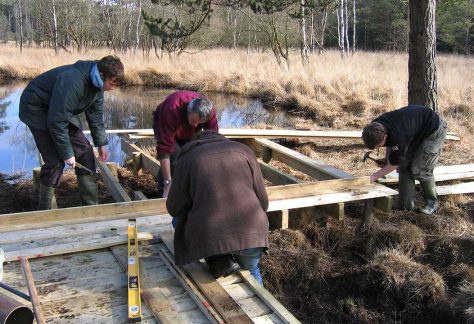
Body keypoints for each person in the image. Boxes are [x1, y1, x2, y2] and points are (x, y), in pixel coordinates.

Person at [19, 55, 124, 210]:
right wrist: (67, 153)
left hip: (58, 109)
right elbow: (57, 121)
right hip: (36, 107)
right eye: (111, 83)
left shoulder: (97, 86)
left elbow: (95, 116)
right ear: (102, 74)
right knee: (55, 162)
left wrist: (101, 143)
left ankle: (90, 207)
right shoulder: (73, 81)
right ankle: (44, 210)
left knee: (86, 153)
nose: (112, 88)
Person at [166, 130, 269, 285]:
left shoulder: (187, 158)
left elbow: (174, 208)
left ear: (194, 142)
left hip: (212, 234)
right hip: (252, 232)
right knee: (253, 271)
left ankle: (218, 257)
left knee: (177, 220)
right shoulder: (244, 151)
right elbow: (264, 203)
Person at [362, 105, 447, 215]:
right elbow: (392, 146)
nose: (379, 148)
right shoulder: (375, 127)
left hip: (433, 130)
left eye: (379, 146)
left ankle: (432, 203)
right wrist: (387, 158)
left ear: (385, 137)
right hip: (414, 131)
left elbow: (395, 163)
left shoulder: (398, 135)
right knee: (404, 166)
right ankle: (405, 204)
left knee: (422, 169)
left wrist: (373, 177)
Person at [152, 91, 218, 198]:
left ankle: (186, 188)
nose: (196, 124)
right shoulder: (171, 110)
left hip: (188, 131)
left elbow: (213, 139)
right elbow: (164, 149)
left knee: (192, 155)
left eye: (199, 123)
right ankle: (164, 190)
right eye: (193, 120)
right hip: (165, 124)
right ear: (188, 110)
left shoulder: (209, 112)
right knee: (175, 157)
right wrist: (168, 182)